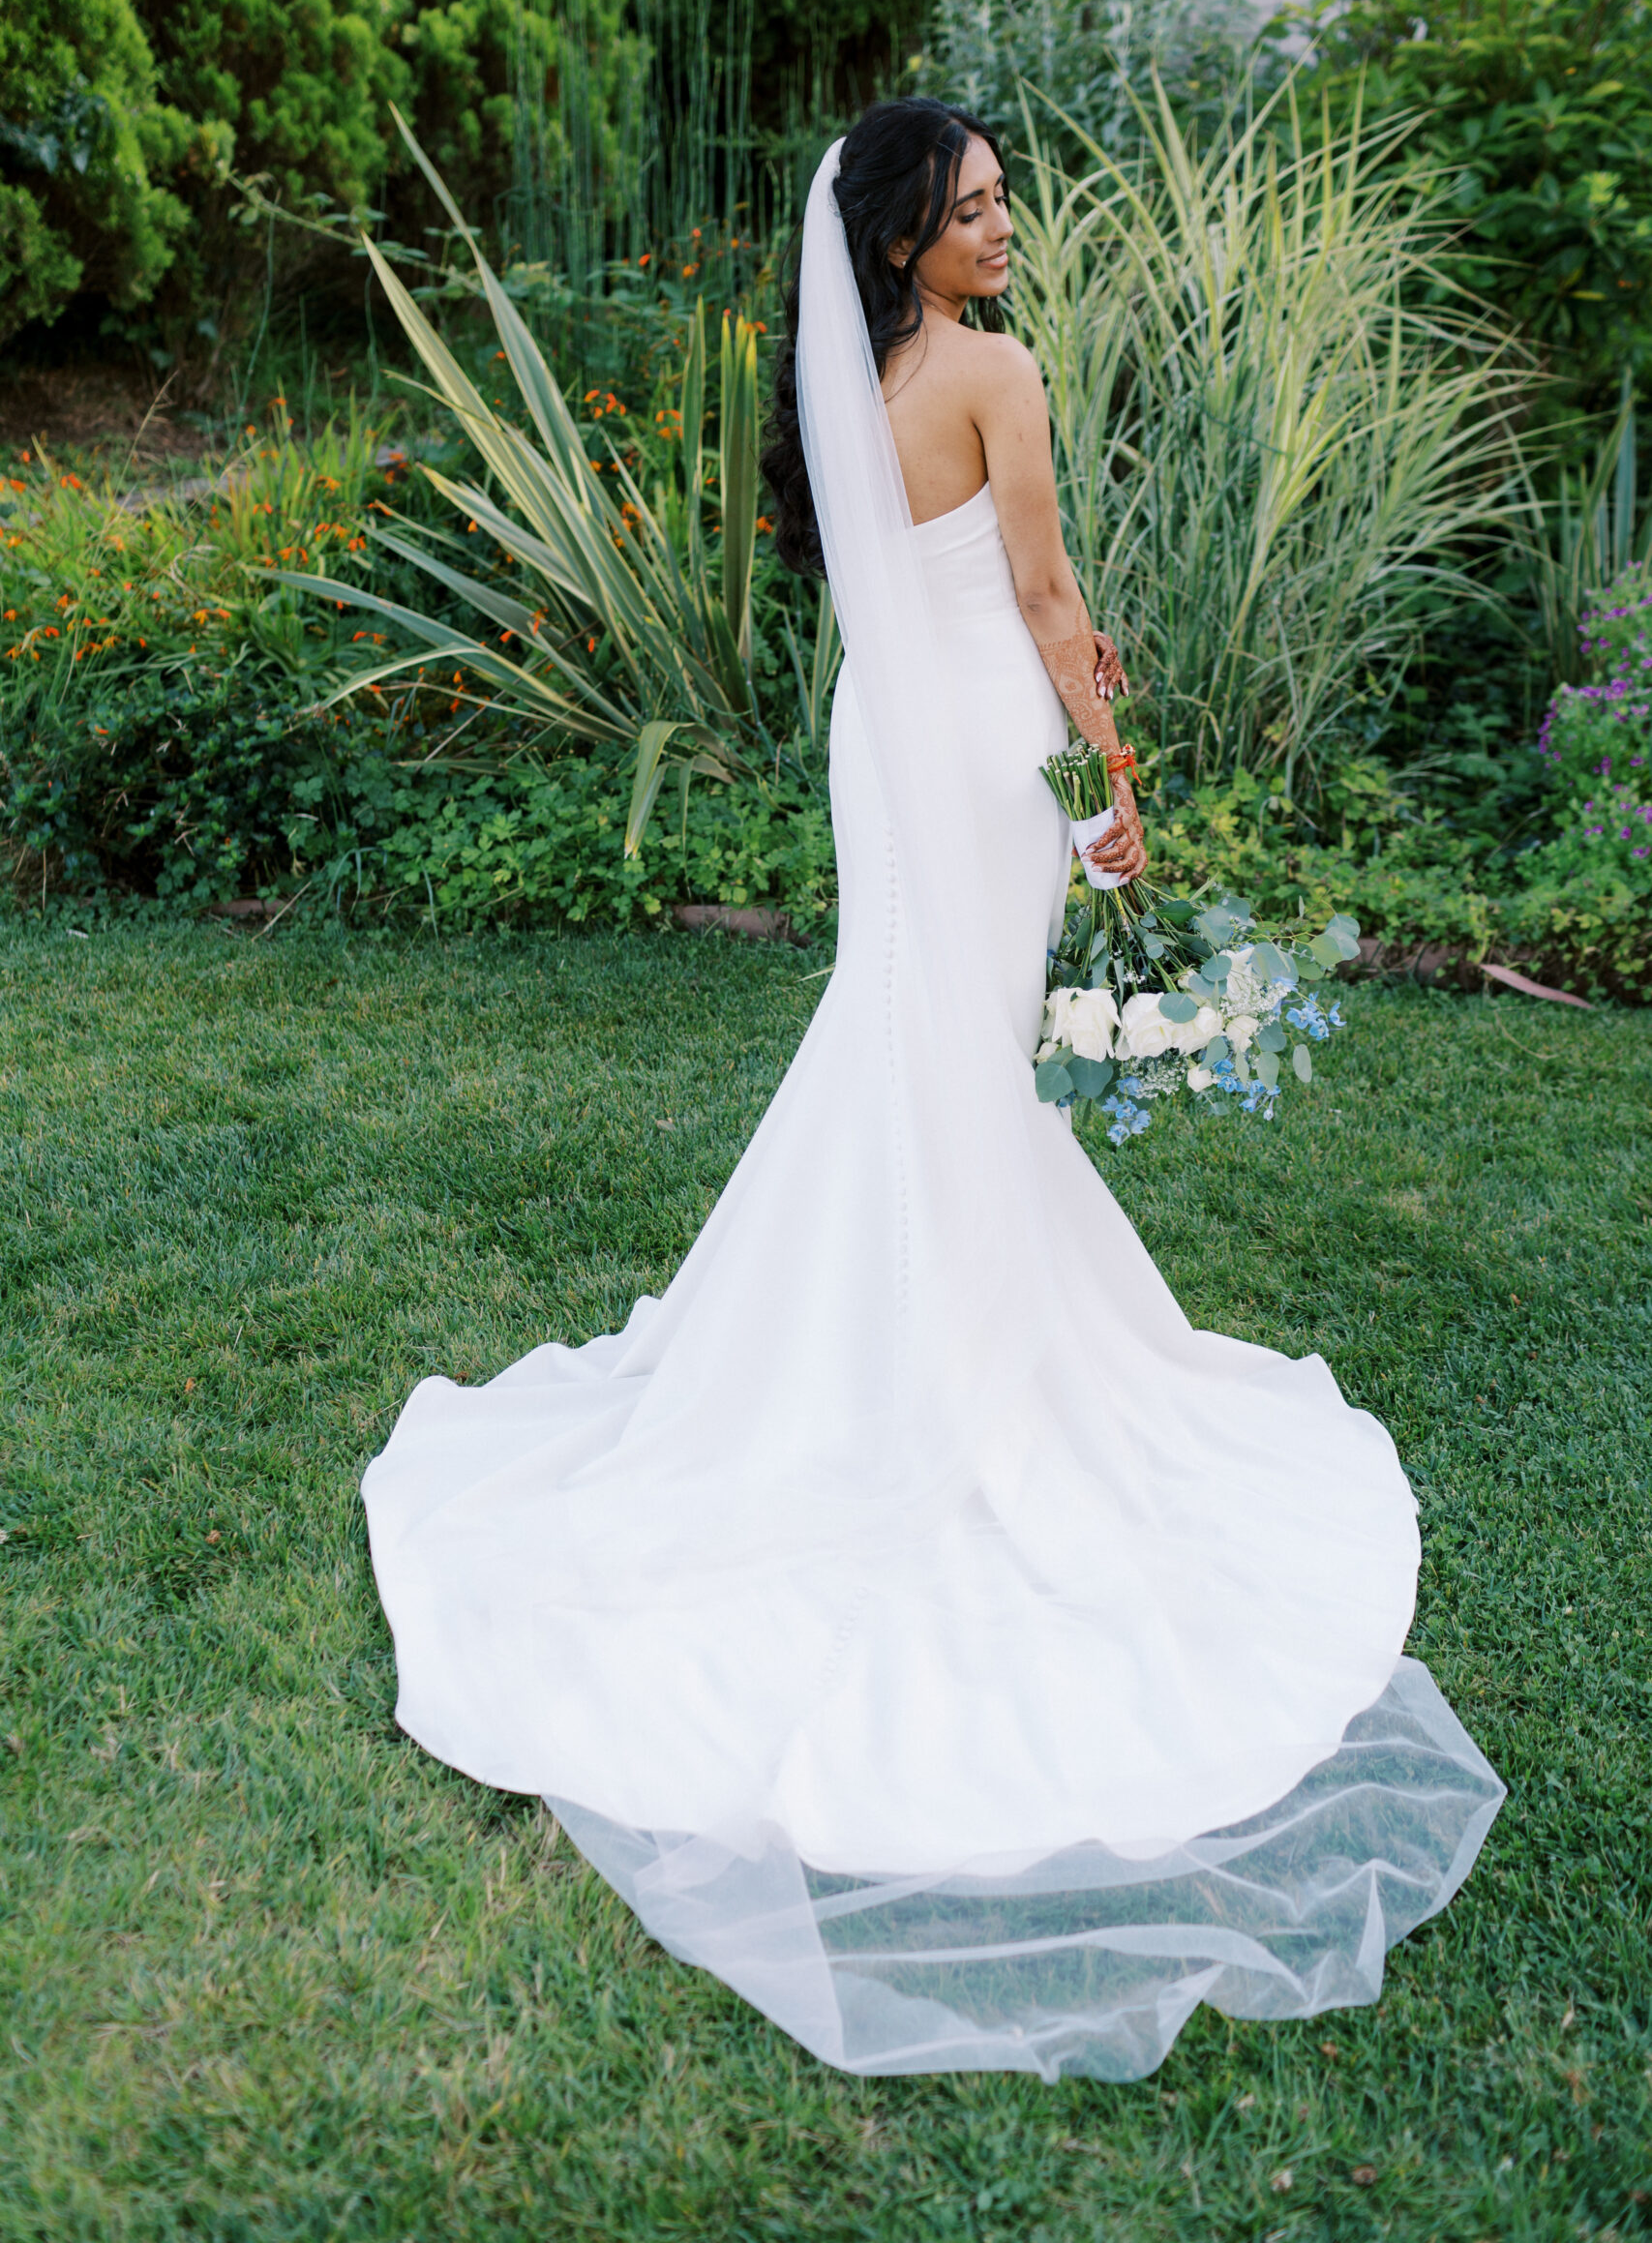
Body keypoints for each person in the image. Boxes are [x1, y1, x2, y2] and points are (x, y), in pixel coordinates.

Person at [363, 101, 1502, 2082]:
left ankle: (874, 1337)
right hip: (980, 745)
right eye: (968, 210)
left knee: (906, 1040)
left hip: (878, 744)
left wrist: (1039, 673)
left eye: (998, 206)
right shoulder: (992, 369)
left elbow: (919, 579)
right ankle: (957, 1379)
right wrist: (1112, 787)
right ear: (901, 236)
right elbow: (1049, 605)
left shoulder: (853, 375)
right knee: (956, 1059)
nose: (999, 231)